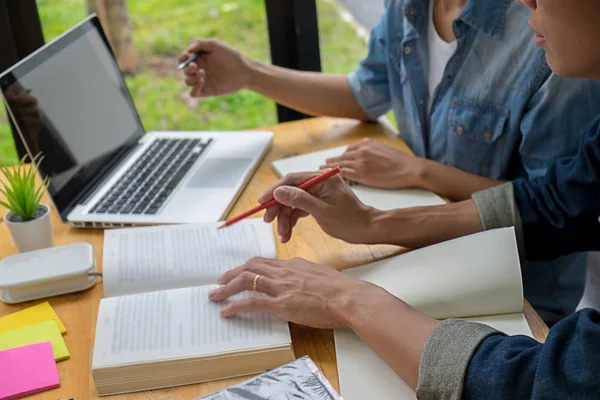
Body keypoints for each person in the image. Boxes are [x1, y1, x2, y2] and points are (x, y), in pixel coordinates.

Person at [207, 0, 600, 397]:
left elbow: (550, 382)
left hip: (520, 297)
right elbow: (557, 201)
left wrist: (347, 298)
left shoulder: (543, 49)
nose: (526, 0)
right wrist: (371, 223)